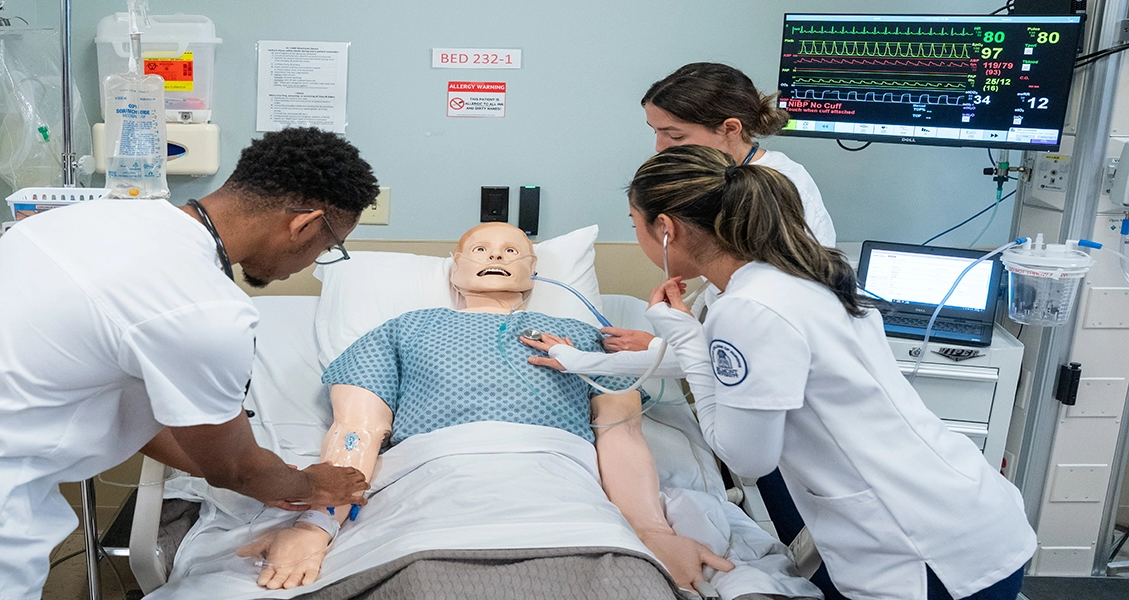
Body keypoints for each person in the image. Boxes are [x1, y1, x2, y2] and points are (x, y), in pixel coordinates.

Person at [0, 127, 376, 600]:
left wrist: (253, 474)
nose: (315, 261)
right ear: (303, 223)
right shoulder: (204, 309)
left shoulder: (84, 221)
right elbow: (234, 469)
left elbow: (147, 418)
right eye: (329, 246)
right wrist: (308, 484)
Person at [545, 145, 1035, 599]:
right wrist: (583, 360)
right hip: (965, 508)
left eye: (634, 223)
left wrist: (687, 336)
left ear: (667, 229)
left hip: (921, 548)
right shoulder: (791, 275)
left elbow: (746, 456)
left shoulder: (748, 309)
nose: (635, 234)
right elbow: (740, 368)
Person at [239, 223, 734, 592]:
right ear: (455, 266)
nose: (495, 255)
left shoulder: (589, 340)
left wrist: (651, 531)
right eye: (480, 248)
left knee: (617, 578)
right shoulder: (401, 330)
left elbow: (621, 434)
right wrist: (316, 523)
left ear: (533, 270)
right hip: (434, 484)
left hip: (560, 487)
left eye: (512, 250)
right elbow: (356, 431)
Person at [600, 62, 836, 355]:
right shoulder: (716, 178)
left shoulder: (777, 188)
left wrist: (661, 348)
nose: (660, 147)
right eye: (656, 131)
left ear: (730, 128)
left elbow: (761, 339)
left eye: (675, 136)